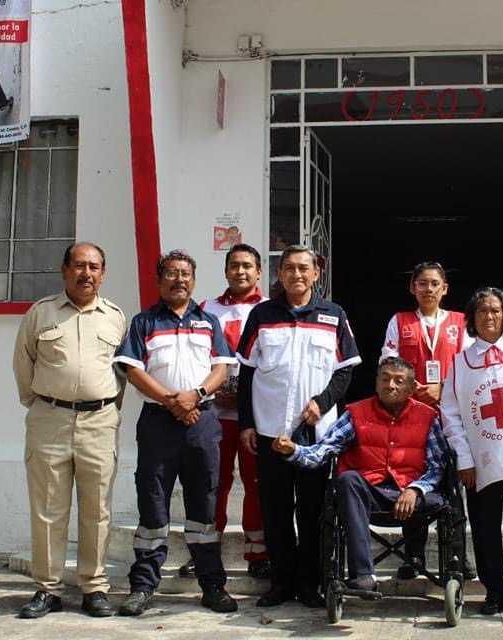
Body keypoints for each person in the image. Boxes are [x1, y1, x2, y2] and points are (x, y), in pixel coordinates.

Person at [236, 244, 362, 608]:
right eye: (289, 268)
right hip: (270, 430)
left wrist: (321, 404)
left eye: (303, 268)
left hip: (315, 436)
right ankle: (281, 582)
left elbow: (345, 370)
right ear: (280, 273)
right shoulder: (262, 315)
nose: (296, 274)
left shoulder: (333, 315)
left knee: (312, 512)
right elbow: (247, 372)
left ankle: (310, 583)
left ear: (316, 274)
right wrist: (246, 422)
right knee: (274, 511)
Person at [114, 250, 238, 615]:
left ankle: (212, 585)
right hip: (158, 424)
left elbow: (222, 367)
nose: (179, 279)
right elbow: (132, 369)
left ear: (194, 281)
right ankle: (143, 586)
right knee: (152, 501)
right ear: (159, 280)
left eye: (186, 273)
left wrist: (195, 397)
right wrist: (172, 401)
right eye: (171, 273)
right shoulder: (144, 322)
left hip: (202, 421)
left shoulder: (208, 321)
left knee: (205, 505)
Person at [12, 242, 127, 619]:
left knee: (97, 509)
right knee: (48, 509)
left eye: (95, 267)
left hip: (99, 422)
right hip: (50, 420)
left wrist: (103, 406)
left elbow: (122, 374)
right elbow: (23, 366)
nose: (87, 274)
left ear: (104, 274)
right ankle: (47, 589)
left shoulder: (115, 317)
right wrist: (46, 403)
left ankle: (94, 587)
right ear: (64, 271)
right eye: (79, 266)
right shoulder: (40, 313)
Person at [272, 357, 447, 591]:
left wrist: (415, 489)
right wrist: (293, 450)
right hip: (369, 493)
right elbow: (323, 451)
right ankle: (364, 576)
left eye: (398, 381)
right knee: (347, 480)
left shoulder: (428, 417)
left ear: (410, 388)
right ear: (376, 383)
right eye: (384, 379)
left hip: (415, 496)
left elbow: (437, 467)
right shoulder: (356, 413)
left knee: (442, 493)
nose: (390, 385)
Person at [440, 287, 503, 616]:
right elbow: (451, 415)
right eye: (482, 311)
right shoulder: (460, 362)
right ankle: (495, 590)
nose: (489, 317)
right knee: (485, 528)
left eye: (496, 310)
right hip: (482, 459)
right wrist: (464, 459)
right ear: (472, 318)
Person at [179, 244, 270, 580]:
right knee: (212, 484)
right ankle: (204, 552)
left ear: (259, 271)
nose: (240, 271)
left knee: (256, 485)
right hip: (214, 414)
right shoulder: (207, 309)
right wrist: (212, 392)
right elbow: (194, 357)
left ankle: (258, 553)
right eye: (234, 265)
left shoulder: (270, 309)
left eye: (247, 265)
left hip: (255, 417)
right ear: (226, 271)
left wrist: (245, 397)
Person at [379, 261, 474, 579]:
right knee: (412, 482)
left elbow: (471, 364)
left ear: (445, 288)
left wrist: (442, 387)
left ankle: (459, 556)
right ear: (412, 288)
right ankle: (413, 556)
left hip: (452, 415)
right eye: (421, 283)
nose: (428, 289)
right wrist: (410, 386)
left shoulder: (461, 323)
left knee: (455, 485)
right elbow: (387, 360)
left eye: (434, 283)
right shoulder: (400, 321)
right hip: (411, 415)